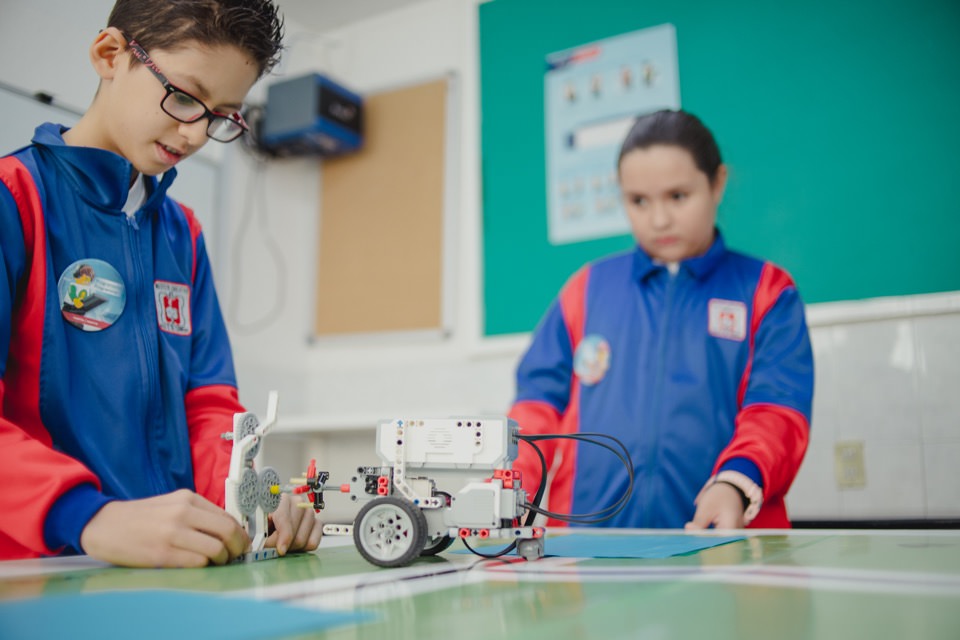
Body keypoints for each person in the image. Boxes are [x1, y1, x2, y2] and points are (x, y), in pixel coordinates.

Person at [0, 0, 322, 567]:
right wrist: (87, 516)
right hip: (38, 567)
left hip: (172, 564)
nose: (196, 133)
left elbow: (209, 404)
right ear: (110, 55)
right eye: (185, 96)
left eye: (221, 114)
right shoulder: (14, 200)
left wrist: (248, 499)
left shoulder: (184, 237)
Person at [509, 109, 814, 530]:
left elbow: (777, 412)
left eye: (677, 196)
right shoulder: (586, 289)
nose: (659, 220)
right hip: (585, 554)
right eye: (638, 201)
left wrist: (736, 482)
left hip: (720, 546)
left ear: (717, 183)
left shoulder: (766, 291)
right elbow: (536, 403)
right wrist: (512, 486)